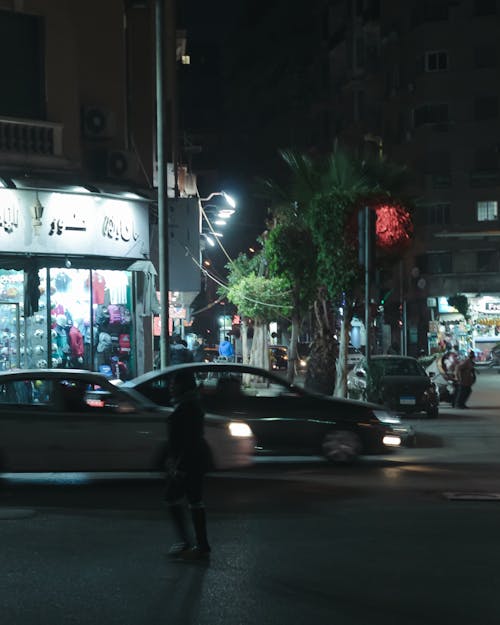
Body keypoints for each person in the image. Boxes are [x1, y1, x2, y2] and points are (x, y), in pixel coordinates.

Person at [165, 370, 211, 561]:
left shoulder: (189, 407)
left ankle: (195, 544)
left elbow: (189, 440)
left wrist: (180, 466)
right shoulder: (188, 404)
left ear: (183, 386)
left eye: (174, 383)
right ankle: (197, 545)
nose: (171, 387)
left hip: (189, 462)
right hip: (191, 460)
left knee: (174, 497)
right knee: (193, 501)